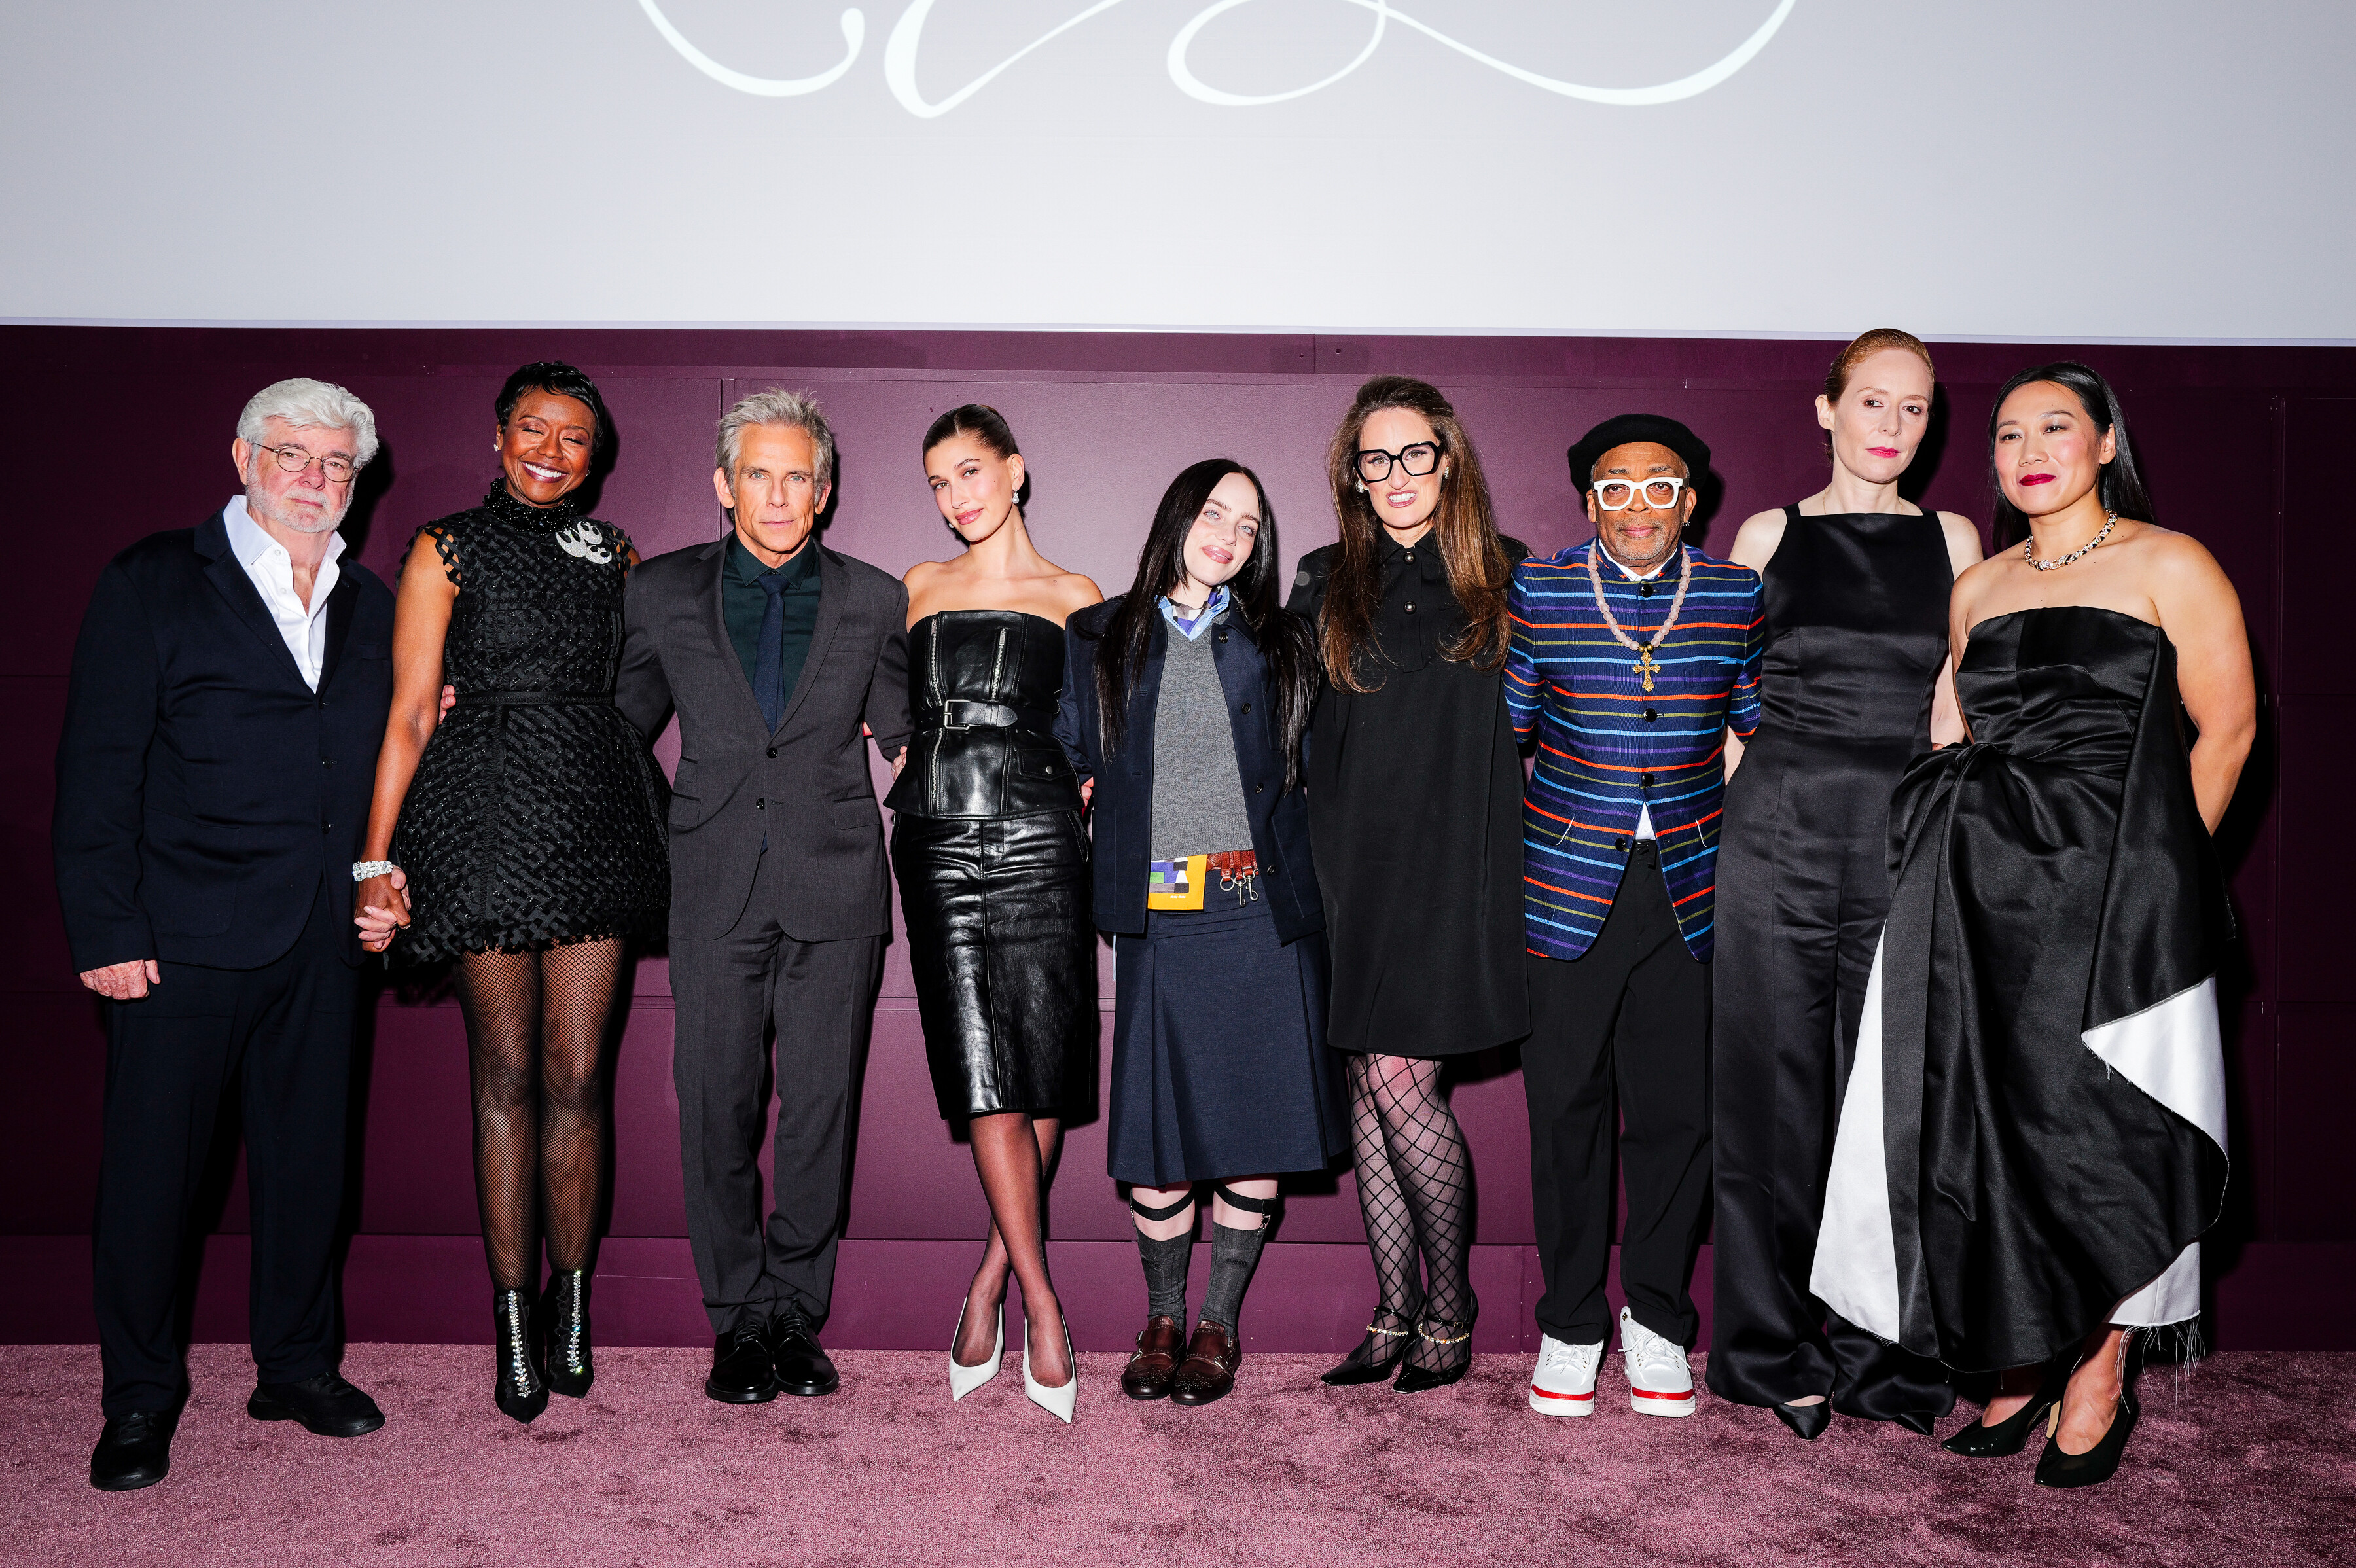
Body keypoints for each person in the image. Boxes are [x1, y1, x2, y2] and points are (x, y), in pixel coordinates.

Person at [1812, 363, 2251, 1488]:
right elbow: (1951, 735)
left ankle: (2100, 1366)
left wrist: (2161, 878)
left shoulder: (2170, 561)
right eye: (2009, 435)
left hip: (2116, 896)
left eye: (2057, 427)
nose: (2031, 451)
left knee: (2101, 1129)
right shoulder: (1982, 585)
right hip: (1983, 894)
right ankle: (2024, 1349)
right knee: (1996, 1130)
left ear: (2105, 443)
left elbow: (2228, 730)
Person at [56, 379, 394, 1491]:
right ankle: (139, 1397)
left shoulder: (374, 603)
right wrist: (106, 928)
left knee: (310, 1173)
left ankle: (295, 1367)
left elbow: (380, 770)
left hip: (323, 939)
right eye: (291, 453)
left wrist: (385, 879)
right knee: (154, 1182)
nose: (314, 477)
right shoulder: (153, 581)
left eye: (336, 463)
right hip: (179, 937)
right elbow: (97, 769)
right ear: (242, 458)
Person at [351, 363, 669, 1423]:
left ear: (595, 456)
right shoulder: (444, 546)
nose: (551, 451)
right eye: (534, 429)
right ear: (498, 436)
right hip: (481, 818)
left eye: (574, 437)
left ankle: (572, 1306)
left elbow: (654, 678)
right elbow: (409, 711)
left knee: (578, 1073)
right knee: (504, 1073)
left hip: (591, 816)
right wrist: (376, 859)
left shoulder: (617, 553)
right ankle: (515, 1320)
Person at [1705, 330, 1980, 1439]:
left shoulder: (1953, 539)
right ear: (1827, 409)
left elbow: (1956, 707)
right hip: (1774, 834)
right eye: (1873, 401)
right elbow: (1730, 708)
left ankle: (1886, 1352)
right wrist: (1737, 831)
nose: (1893, 426)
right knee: (1770, 1097)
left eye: (1914, 409)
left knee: (1892, 1100)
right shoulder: (1768, 534)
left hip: (1903, 835)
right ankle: (1770, 1350)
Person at [613, 389, 912, 1406]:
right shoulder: (661, 592)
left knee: (821, 1110)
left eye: (798, 478)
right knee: (716, 1107)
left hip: (837, 882)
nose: (779, 496)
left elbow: (907, 738)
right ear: (724, 485)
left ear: (823, 492)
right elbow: (617, 731)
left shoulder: (875, 599)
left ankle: (794, 1312)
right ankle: (736, 1317)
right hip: (712, 882)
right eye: (759, 475)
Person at [1060, 459, 1344, 1408]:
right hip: (1160, 911)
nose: (1229, 536)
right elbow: (1066, 747)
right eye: (1214, 514)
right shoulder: (1099, 633)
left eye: (1248, 526)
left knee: (1253, 1119)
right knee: (1157, 1128)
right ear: (1177, 516)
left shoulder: (1282, 638)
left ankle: (1217, 1324)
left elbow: (1321, 763)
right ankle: (1162, 1319)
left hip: (1261, 910)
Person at [1507, 415, 1763, 1423]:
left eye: (1661, 486)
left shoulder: (1737, 595)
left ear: (1689, 501)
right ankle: (1570, 1325)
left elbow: (1761, 731)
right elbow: (1505, 732)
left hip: (1693, 894)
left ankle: (1656, 1317)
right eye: (1616, 488)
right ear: (1590, 502)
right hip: (1566, 892)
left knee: (1676, 1117)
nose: (1639, 505)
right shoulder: (1542, 590)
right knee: (1564, 1113)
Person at [1289, 376, 1528, 1391]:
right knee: (1365, 1080)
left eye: (1414, 454)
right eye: (1374, 459)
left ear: (1447, 461)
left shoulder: (1509, 575)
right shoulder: (1320, 578)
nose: (1395, 475)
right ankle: (1393, 1309)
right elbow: (1285, 721)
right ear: (1354, 473)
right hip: (1349, 861)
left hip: (1456, 863)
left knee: (1400, 1079)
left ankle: (1449, 1307)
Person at [887, 404, 1099, 1421]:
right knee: (984, 1074)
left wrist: (1093, 780)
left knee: (1041, 1065)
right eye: (938, 481)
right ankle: (1044, 1304)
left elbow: (1098, 733)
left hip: (1042, 840)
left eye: (969, 472)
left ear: (1015, 471)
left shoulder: (1075, 596)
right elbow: (879, 705)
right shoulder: (918, 588)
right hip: (935, 841)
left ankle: (987, 1283)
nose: (954, 497)